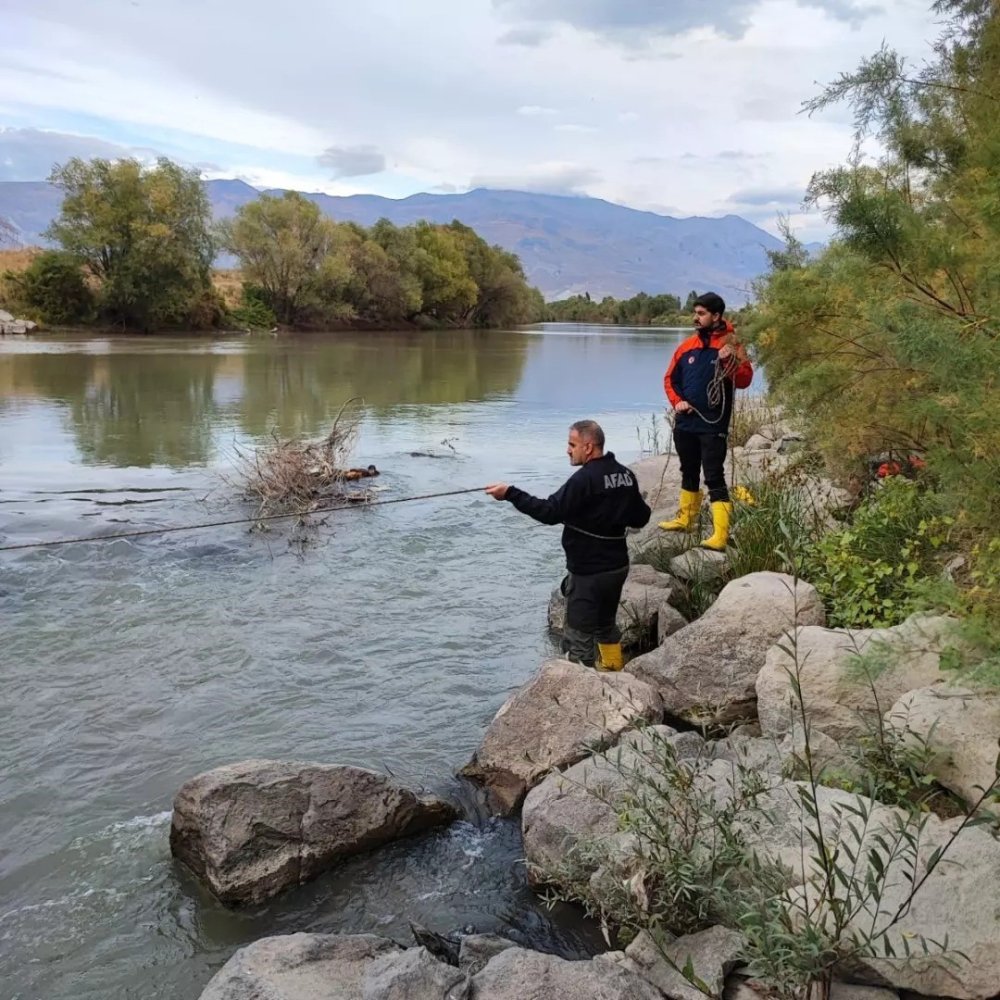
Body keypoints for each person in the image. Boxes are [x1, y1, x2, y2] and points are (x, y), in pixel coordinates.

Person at [485, 420, 651, 671]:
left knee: (578, 637)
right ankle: (614, 675)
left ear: (588, 447)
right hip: (617, 567)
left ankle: (586, 694)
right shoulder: (625, 475)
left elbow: (549, 512)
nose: (567, 450)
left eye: (572, 444)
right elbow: (642, 517)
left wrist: (510, 493)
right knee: (605, 626)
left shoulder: (584, 479)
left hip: (589, 573)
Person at [659, 291, 753, 550]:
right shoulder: (686, 346)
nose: (696, 318)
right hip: (686, 421)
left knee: (713, 475)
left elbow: (744, 380)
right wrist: (677, 401)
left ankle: (720, 534)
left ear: (716, 316)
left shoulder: (731, 344)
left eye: (701, 314)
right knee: (688, 470)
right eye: (695, 313)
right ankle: (686, 519)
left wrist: (730, 360)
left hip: (714, 423)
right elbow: (670, 379)